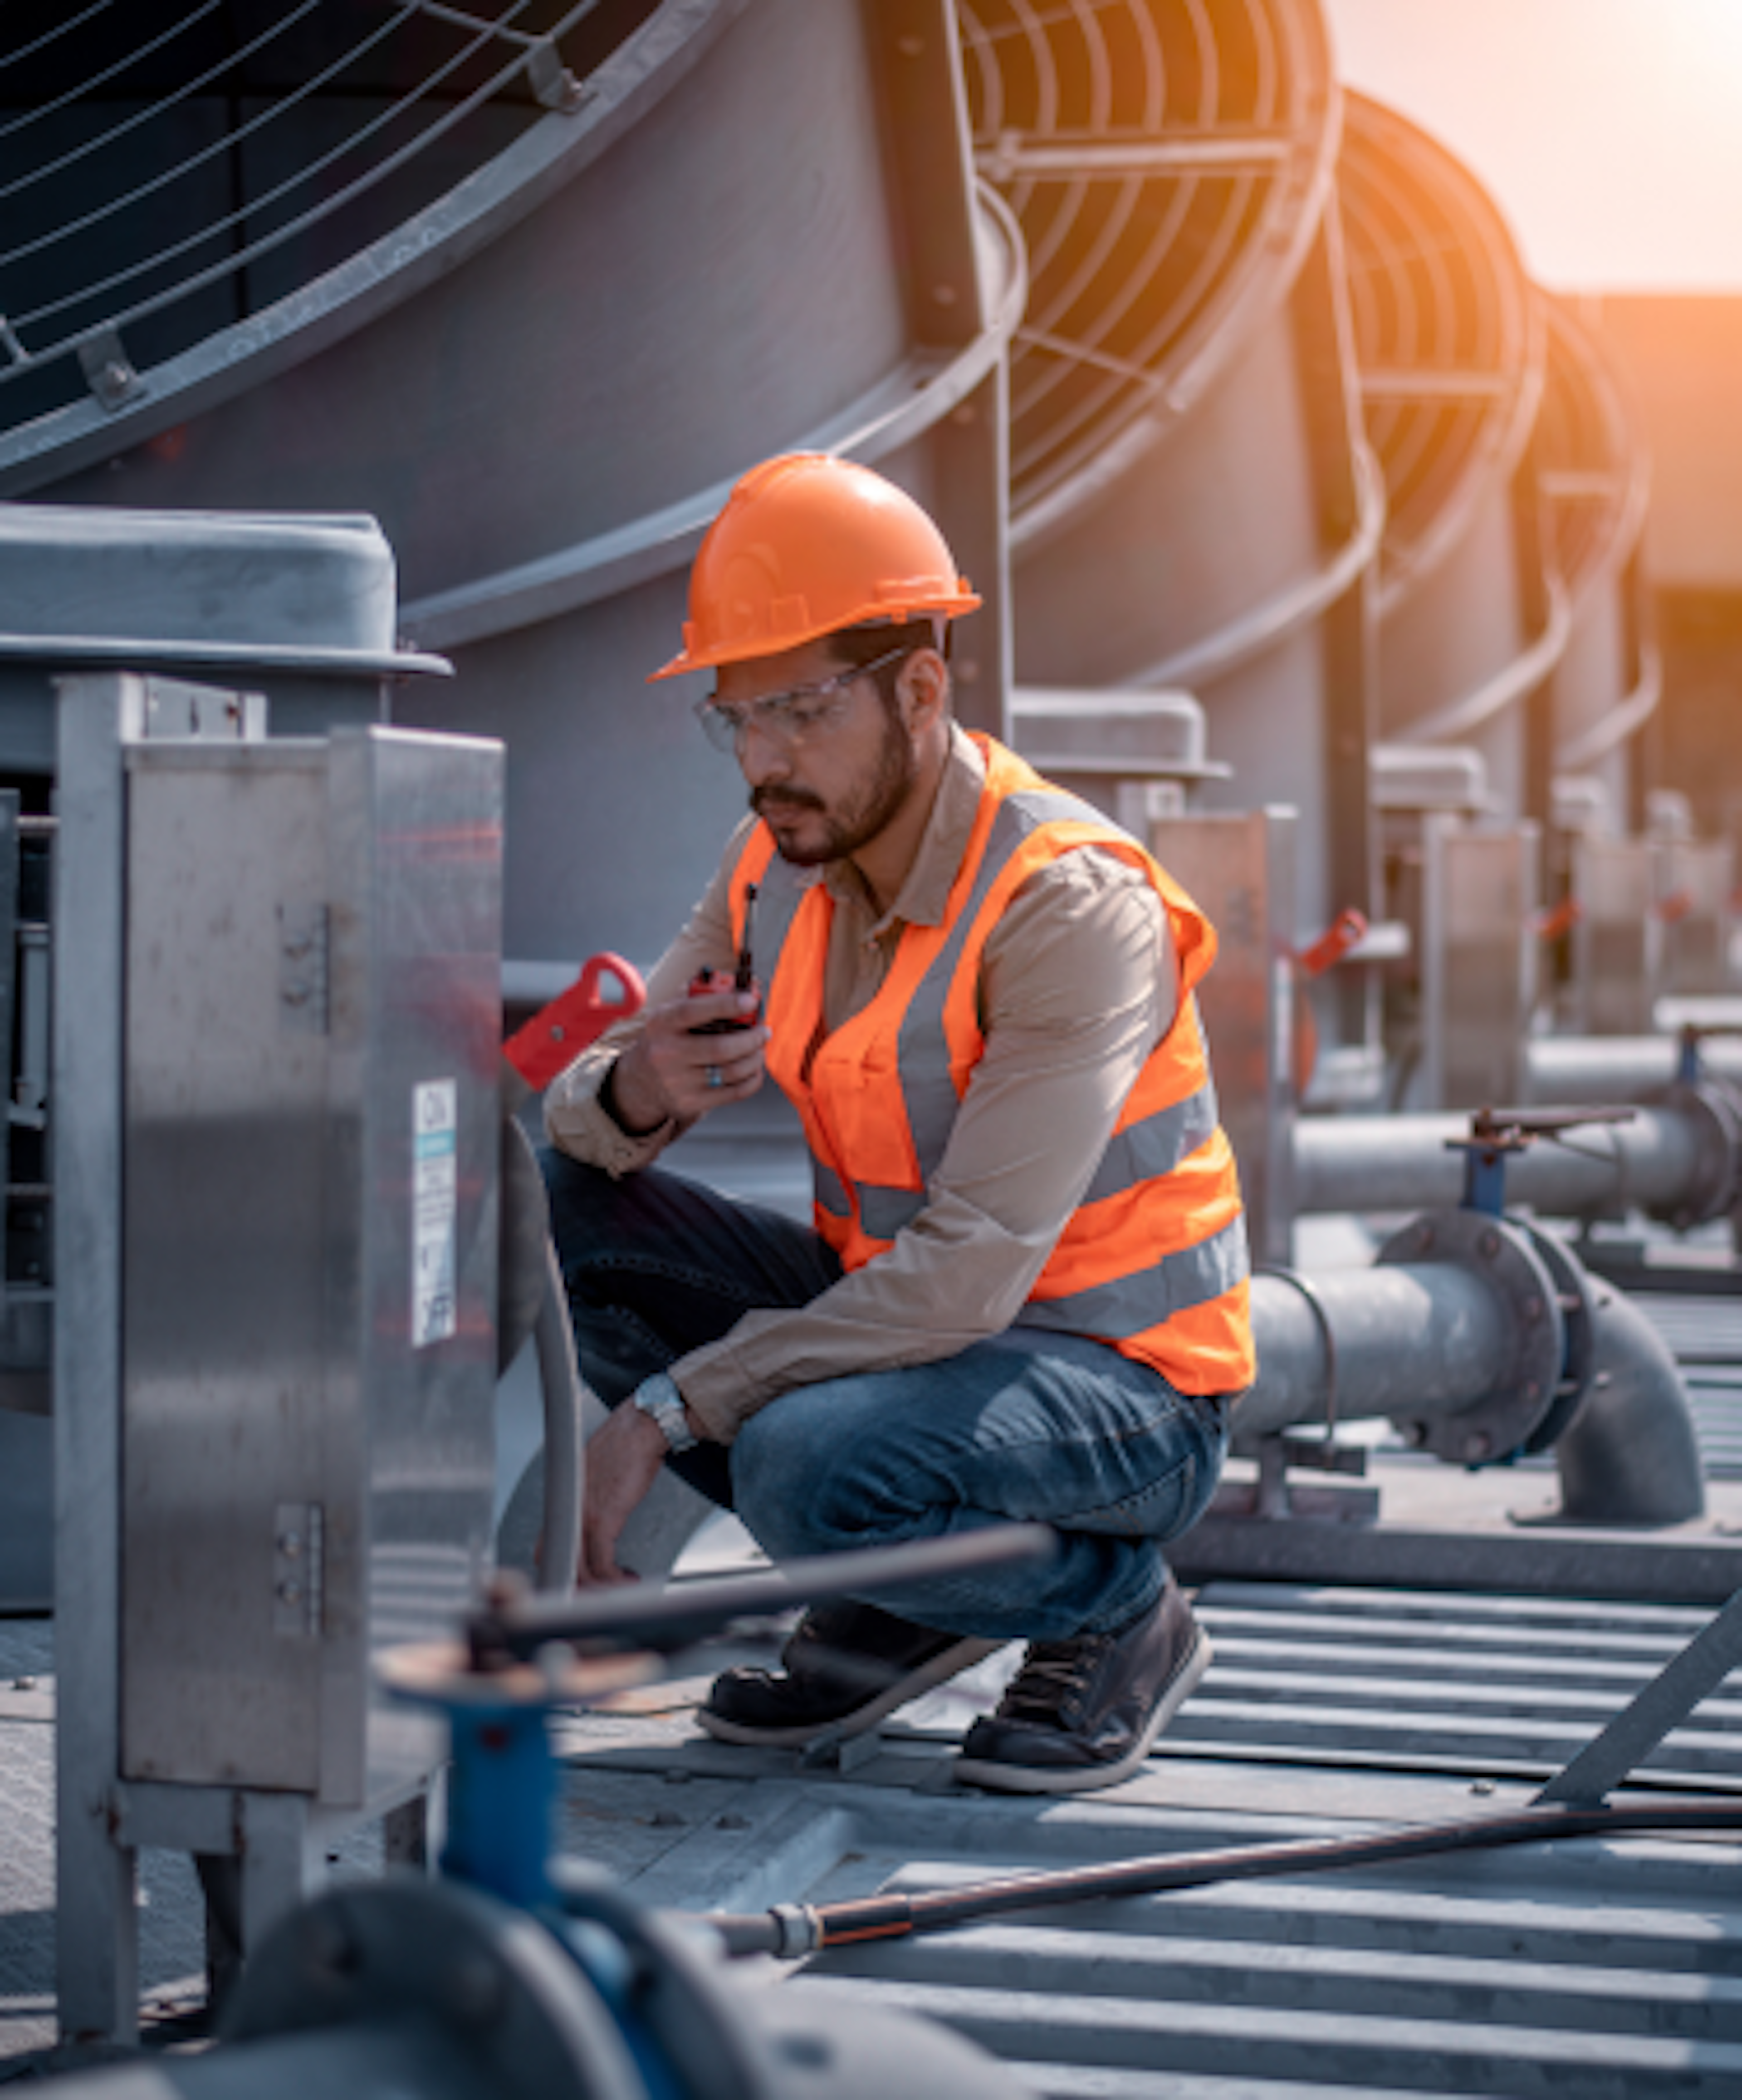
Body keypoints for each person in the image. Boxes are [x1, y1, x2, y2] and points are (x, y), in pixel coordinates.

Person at [541, 451, 1254, 1794]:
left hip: (1122, 1388)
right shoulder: (778, 858)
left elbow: (975, 1270)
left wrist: (661, 1410)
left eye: (801, 712)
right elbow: (587, 1098)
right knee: (558, 1217)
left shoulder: (1065, 903)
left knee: (808, 1457)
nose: (762, 763)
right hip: (913, 1350)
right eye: (735, 718)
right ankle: (907, 1593)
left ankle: (1119, 1612)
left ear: (920, 688)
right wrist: (636, 1093)